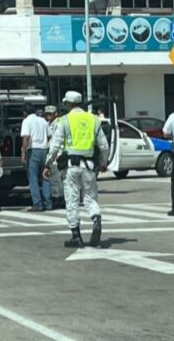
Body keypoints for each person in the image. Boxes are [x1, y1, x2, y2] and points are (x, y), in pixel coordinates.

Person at [43, 91, 109, 248]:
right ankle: (96, 219)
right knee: (90, 198)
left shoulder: (64, 121)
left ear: (68, 104)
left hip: (71, 167)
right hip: (89, 166)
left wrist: (48, 164)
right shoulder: (93, 119)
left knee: (72, 200)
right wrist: (103, 162)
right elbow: (104, 146)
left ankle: (76, 236)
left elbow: (54, 146)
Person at [21, 103, 52, 211]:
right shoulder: (43, 121)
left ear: (24, 113)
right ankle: (48, 203)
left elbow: (26, 138)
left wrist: (23, 152)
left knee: (33, 177)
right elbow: (49, 136)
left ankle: (38, 204)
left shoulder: (26, 121)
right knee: (45, 176)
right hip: (44, 150)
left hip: (33, 150)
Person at [44, 105, 65, 209]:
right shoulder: (49, 124)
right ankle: (58, 198)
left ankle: (59, 199)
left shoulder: (59, 123)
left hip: (58, 153)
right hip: (52, 151)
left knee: (57, 179)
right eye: (47, 114)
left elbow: (56, 141)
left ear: (55, 113)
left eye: (50, 114)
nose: (48, 115)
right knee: (55, 178)